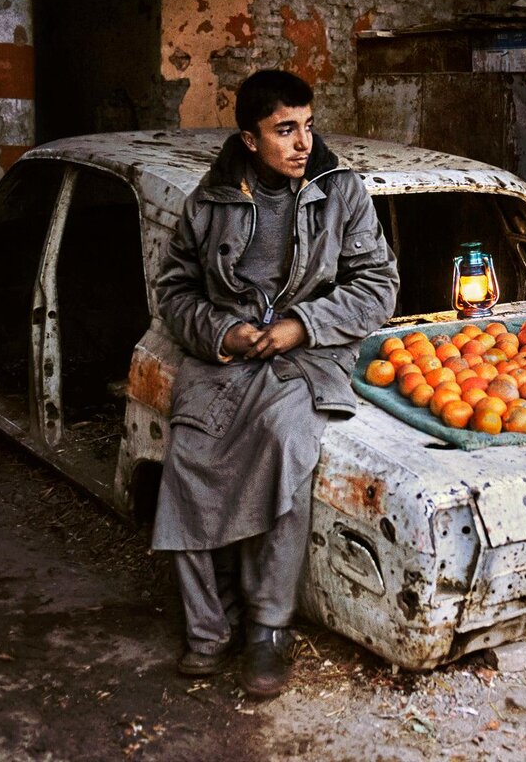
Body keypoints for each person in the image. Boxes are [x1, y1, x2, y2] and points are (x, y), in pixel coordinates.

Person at [151, 69, 399, 698]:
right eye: (285, 130)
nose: (302, 143)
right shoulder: (207, 204)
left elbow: (378, 285)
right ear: (249, 137)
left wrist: (301, 325)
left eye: (308, 126)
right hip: (225, 360)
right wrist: (220, 333)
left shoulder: (341, 192)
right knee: (187, 458)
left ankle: (267, 628)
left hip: (307, 357)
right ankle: (209, 629)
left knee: (287, 447)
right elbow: (175, 293)